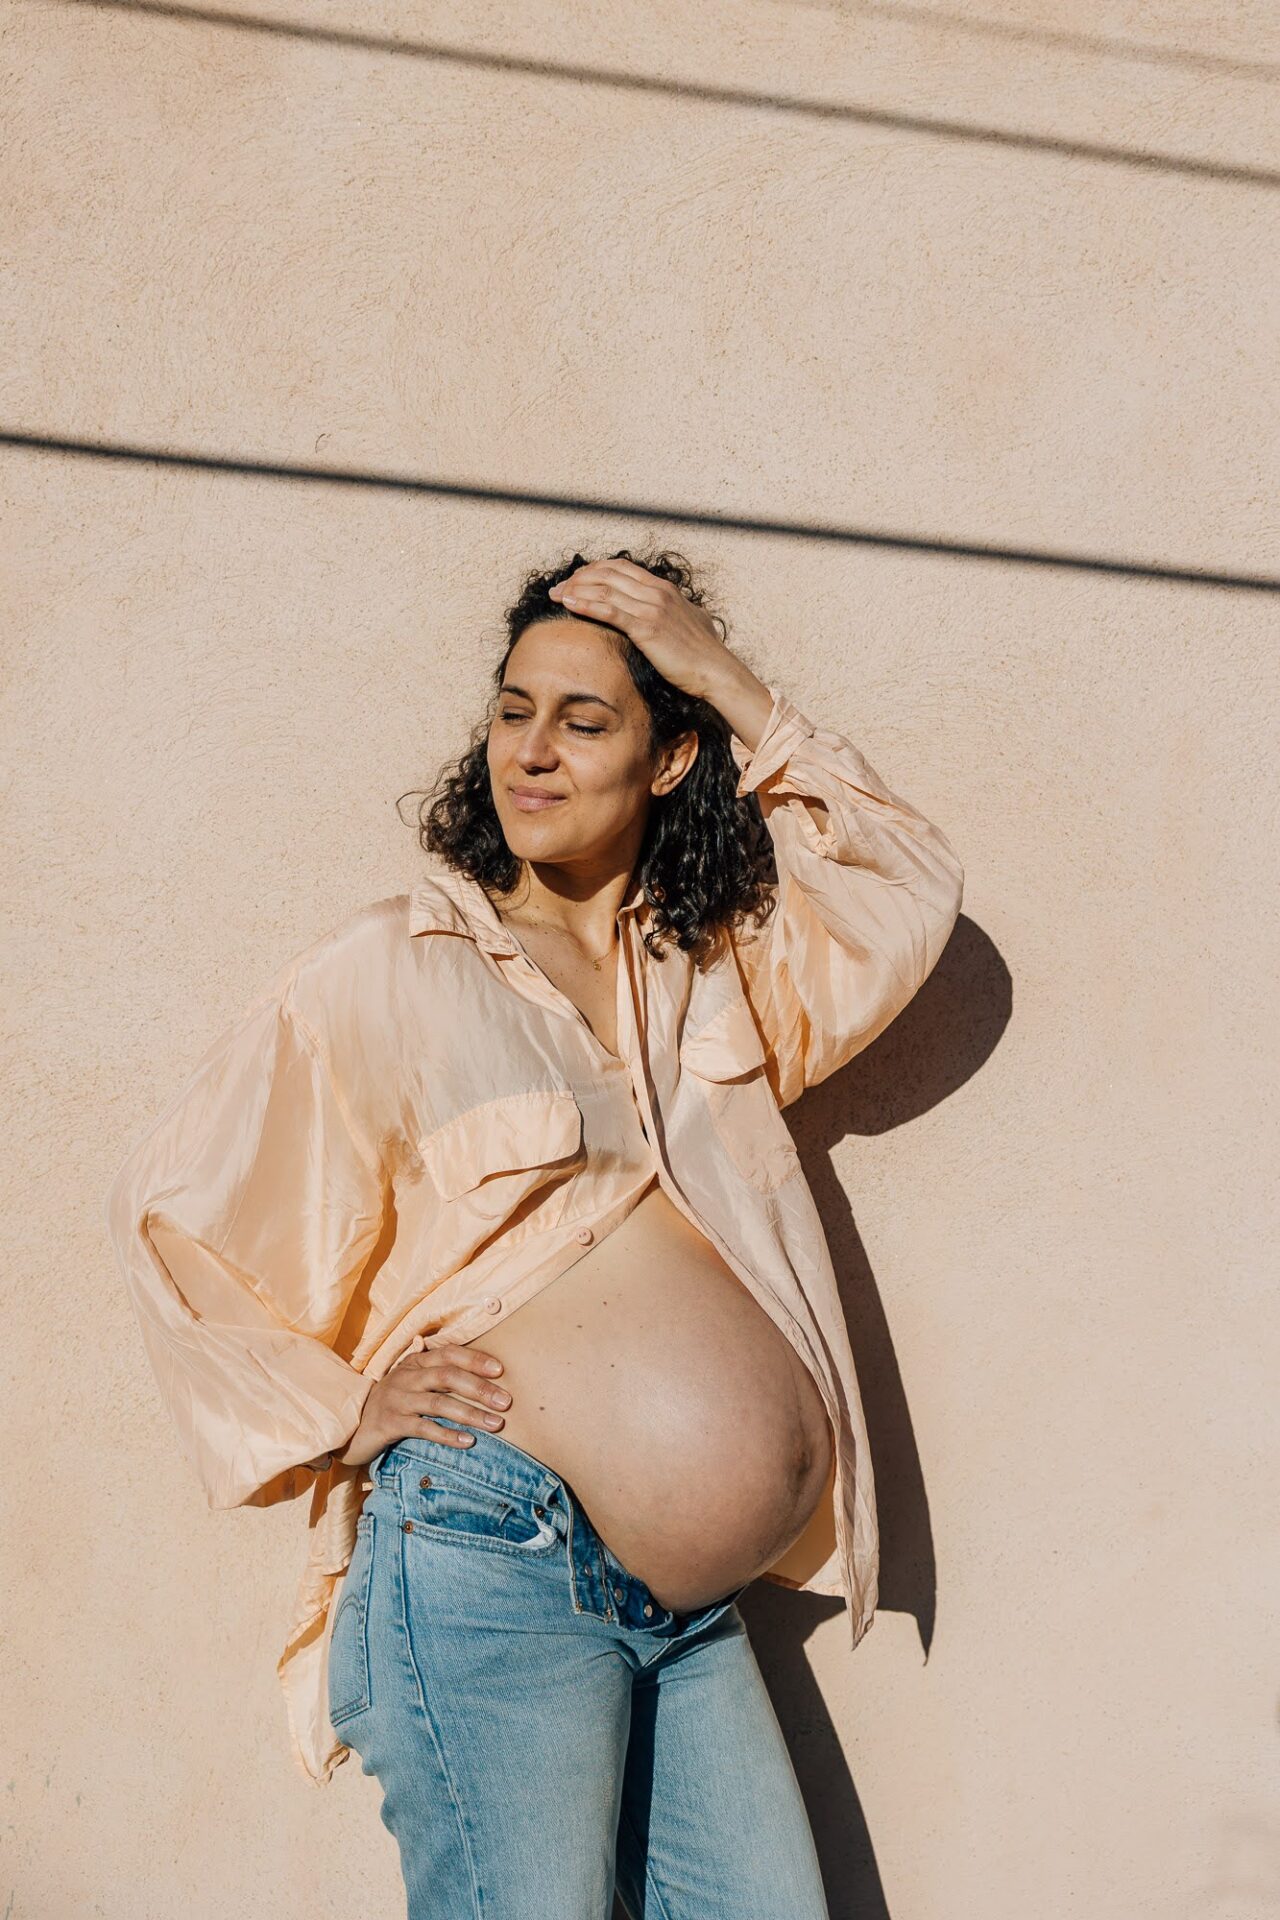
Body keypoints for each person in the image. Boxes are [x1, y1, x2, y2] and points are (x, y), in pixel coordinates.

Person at [104, 548, 964, 1919]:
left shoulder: (709, 970)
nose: (534, 754)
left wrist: (726, 677)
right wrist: (345, 1407)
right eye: (514, 711)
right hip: (488, 1559)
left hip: (680, 1611)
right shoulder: (395, 968)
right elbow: (174, 1220)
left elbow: (906, 888)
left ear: (672, 758)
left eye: (586, 719)